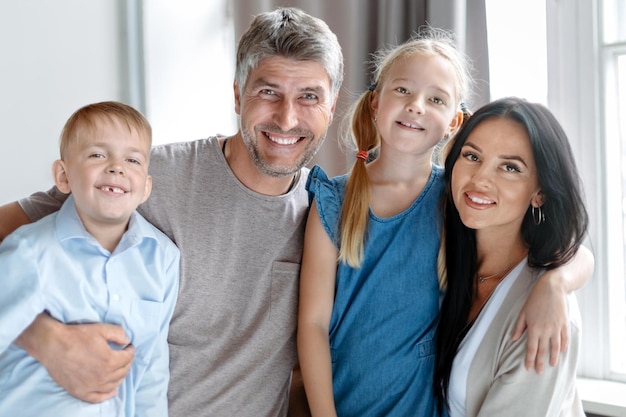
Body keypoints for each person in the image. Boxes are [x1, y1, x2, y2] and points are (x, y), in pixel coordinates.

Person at [0, 7, 342, 417]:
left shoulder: (326, 214)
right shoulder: (143, 178)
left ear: (333, 105)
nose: (287, 118)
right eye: (268, 92)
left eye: (309, 96)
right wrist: (42, 338)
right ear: (236, 93)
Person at [297, 30, 592, 417]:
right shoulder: (335, 200)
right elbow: (314, 323)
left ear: (454, 121)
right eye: (402, 90)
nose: (416, 106)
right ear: (374, 104)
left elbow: (573, 251)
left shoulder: (455, 198)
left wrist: (556, 282)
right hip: (346, 401)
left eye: (435, 99)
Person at [0, 101, 180, 416]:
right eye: (98, 154)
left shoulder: (162, 258)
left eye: (133, 159)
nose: (116, 167)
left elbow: (151, 369)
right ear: (63, 176)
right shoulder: (29, 252)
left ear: (146, 187)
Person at [435, 97, 588, 416]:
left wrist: (554, 283)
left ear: (540, 192)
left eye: (510, 167)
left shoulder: (541, 319)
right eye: (472, 155)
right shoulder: (441, 250)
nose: (480, 180)